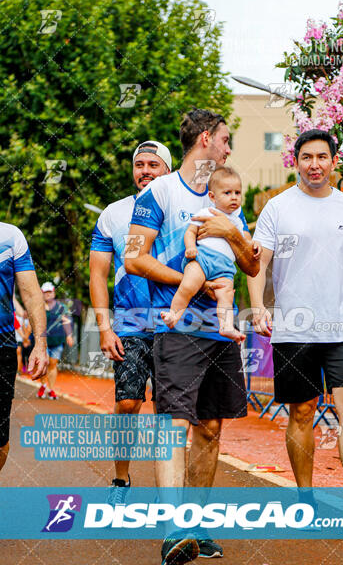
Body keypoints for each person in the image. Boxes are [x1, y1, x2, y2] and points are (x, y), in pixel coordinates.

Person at [125, 109, 259, 564]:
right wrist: (195, 283)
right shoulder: (160, 191)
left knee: (211, 427)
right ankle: (172, 531)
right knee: (173, 425)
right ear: (206, 138)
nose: (228, 148)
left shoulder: (228, 195)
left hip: (220, 331)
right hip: (178, 326)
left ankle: (197, 528)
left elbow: (252, 265)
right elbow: (133, 259)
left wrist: (232, 235)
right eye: (225, 140)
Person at [248, 128, 343, 537]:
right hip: (295, 329)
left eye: (322, 157)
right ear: (296, 162)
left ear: (333, 162)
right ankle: (305, 501)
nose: (315, 164)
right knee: (302, 412)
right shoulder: (277, 208)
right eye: (307, 157)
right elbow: (258, 264)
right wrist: (259, 306)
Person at [90, 140, 171, 503]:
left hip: (176, 323)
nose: (145, 170)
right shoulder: (113, 213)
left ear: (167, 170)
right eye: (140, 164)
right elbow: (97, 274)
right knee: (127, 403)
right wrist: (105, 327)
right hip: (131, 323)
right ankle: (121, 480)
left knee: (172, 411)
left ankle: (172, 488)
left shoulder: (182, 206)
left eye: (154, 164)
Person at [161, 166, 258, 344]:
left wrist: (255, 245)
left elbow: (246, 242)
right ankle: (173, 315)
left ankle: (226, 325)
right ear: (212, 197)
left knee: (226, 295)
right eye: (227, 193)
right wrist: (190, 248)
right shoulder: (206, 213)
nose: (234, 197)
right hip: (202, 259)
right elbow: (190, 232)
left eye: (237, 192)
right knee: (188, 286)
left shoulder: (237, 219)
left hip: (225, 268)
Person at [0, 222, 48, 472]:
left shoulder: (11, 235)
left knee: (0, 440)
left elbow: (30, 293)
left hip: (2, 344)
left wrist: (40, 343)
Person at [37, 282, 74, 400]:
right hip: (43, 342)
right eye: (45, 292)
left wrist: (69, 335)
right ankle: (43, 386)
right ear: (42, 294)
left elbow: (66, 321)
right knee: (44, 363)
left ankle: (51, 389)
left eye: (49, 292)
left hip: (57, 340)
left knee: (53, 364)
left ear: (53, 292)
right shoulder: (39, 307)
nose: (48, 294)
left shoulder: (61, 307)